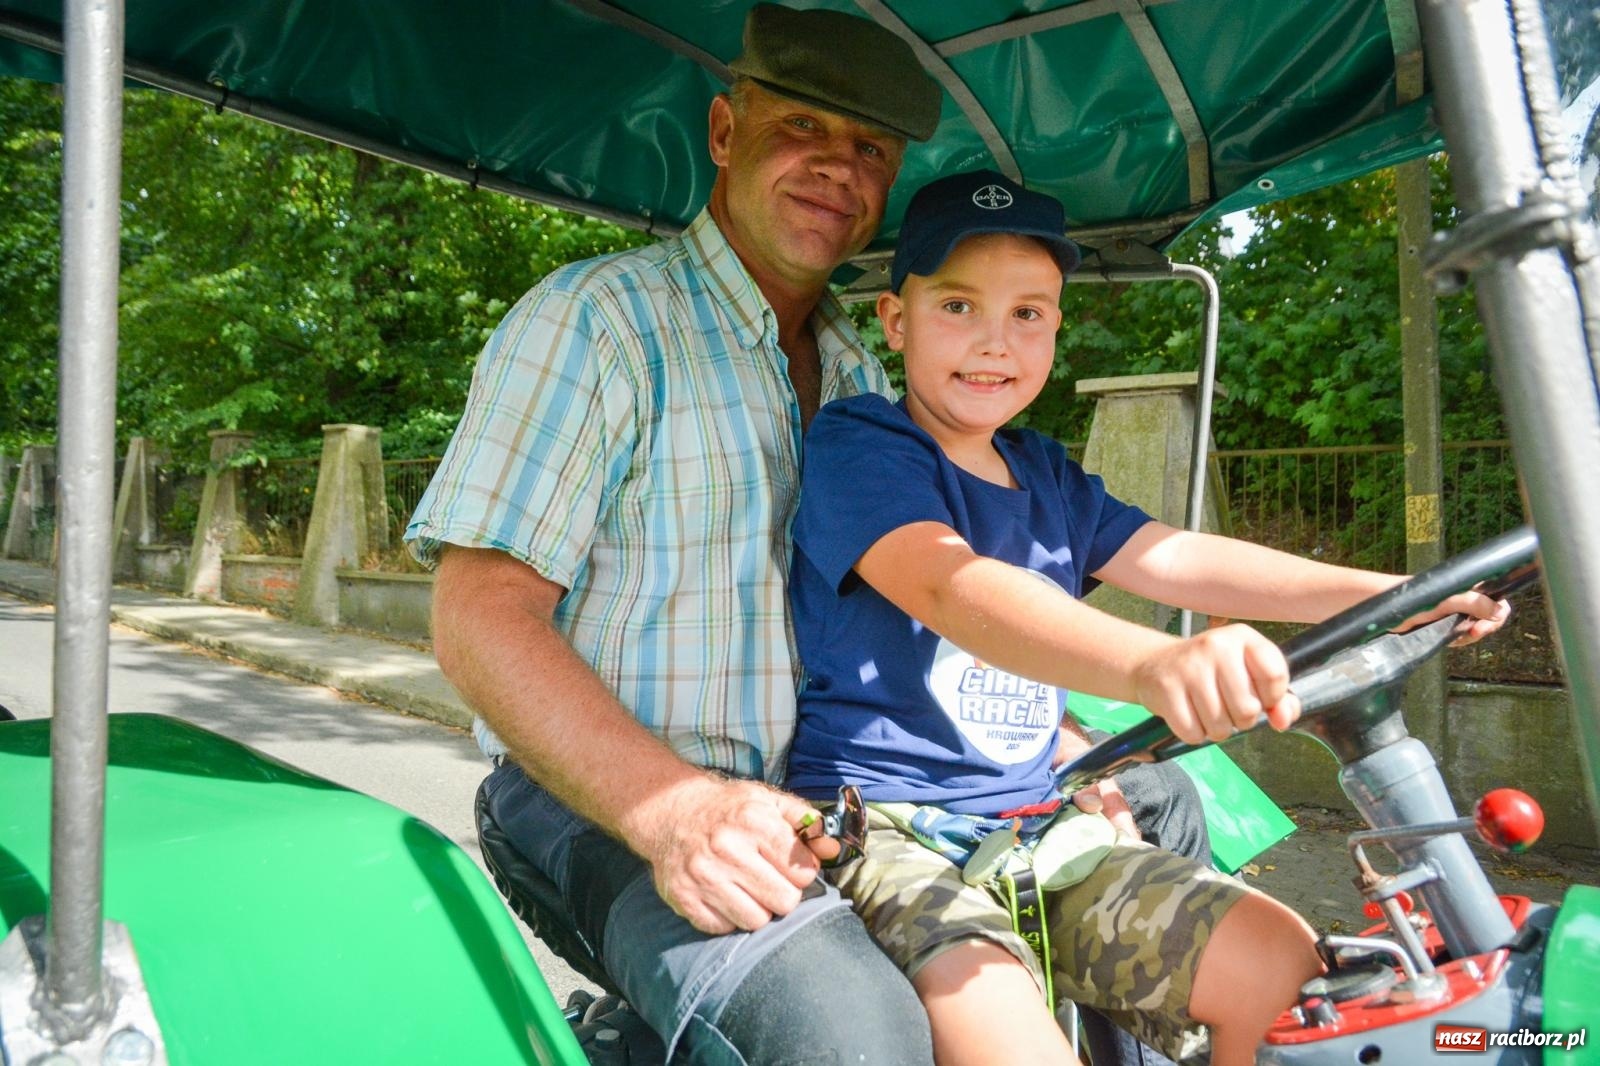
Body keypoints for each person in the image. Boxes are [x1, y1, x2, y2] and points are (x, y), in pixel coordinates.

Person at [784, 169, 1510, 1066]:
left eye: (1027, 314)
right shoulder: (864, 444)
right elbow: (951, 588)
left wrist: (1384, 594)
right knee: (1010, 1038)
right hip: (889, 827)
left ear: (1055, 326)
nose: (994, 343)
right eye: (959, 307)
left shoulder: (1044, 471)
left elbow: (1178, 555)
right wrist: (1152, 663)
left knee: (1286, 970)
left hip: (1037, 828)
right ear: (897, 320)